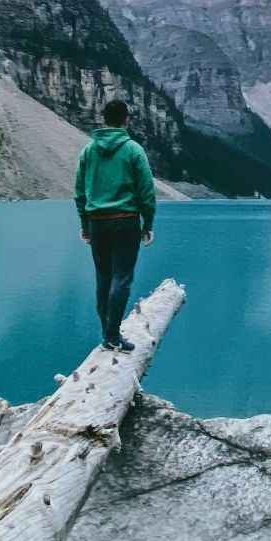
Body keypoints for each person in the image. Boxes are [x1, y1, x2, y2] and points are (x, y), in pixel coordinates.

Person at [74, 99, 156, 352]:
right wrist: (148, 223)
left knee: (103, 278)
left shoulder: (88, 151)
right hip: (125, 221)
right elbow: (147, 191)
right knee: (122, 278)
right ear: (126, 120)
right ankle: (112, 334)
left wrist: (84, 223)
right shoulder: (133, 149)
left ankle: (107, 333)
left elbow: (79, 192)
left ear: (103, 119)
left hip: (97, 223)